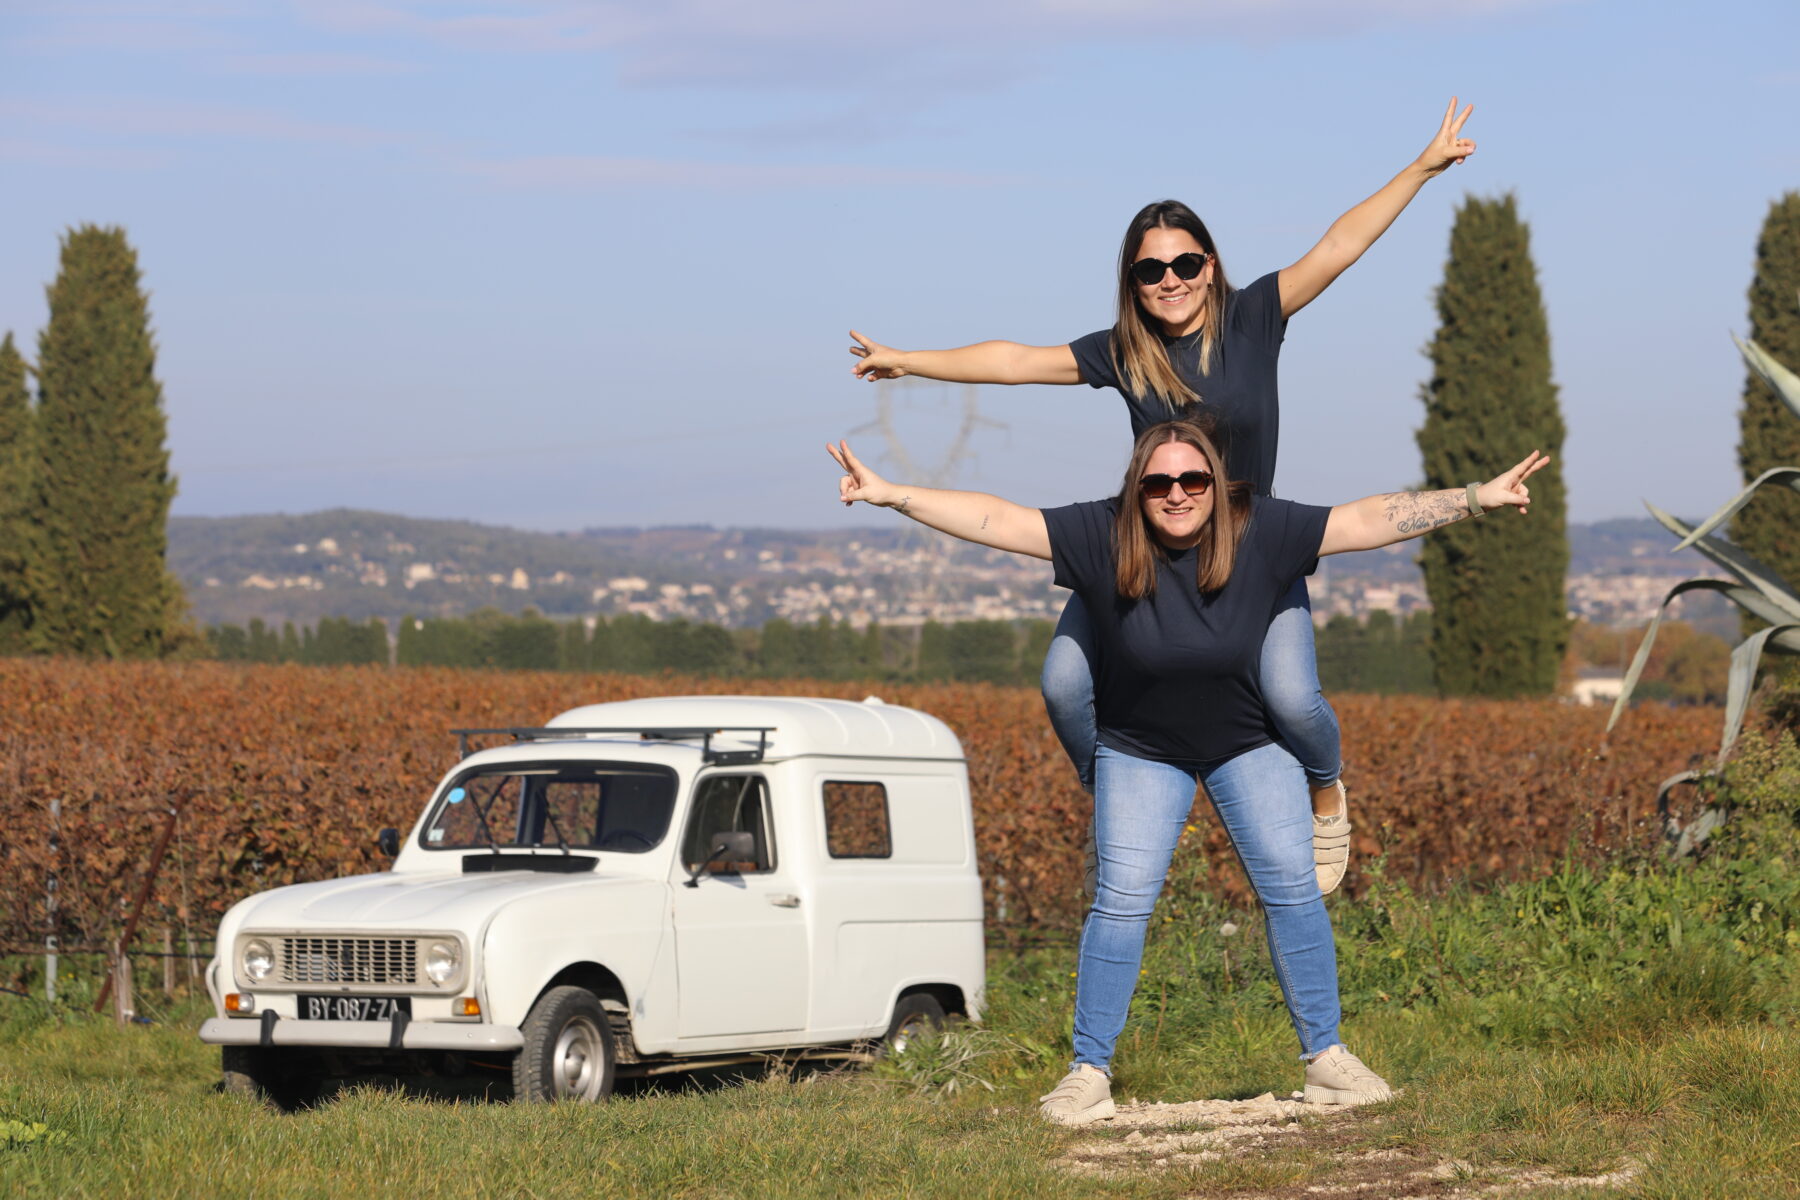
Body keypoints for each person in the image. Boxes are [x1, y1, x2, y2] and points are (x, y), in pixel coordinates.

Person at [825, 420, 1547, 1124]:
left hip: (1248, 743)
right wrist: (893, 494)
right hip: (1141, 750)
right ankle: (1088, 1073)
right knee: (1121, 901)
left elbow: (1364, 520)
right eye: (1159, 482)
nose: (1177, 493)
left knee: (1291, 888)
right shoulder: (1103, 535)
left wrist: (1473, 498)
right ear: (1136, 489)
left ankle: (1327, 1059)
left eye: (1193, 478)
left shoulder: (1261, 528)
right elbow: (994, 518)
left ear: (1216, 485)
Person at [845, 99, 1478, 895]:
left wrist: (1421, 168)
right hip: (1145, 550)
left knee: (1291, 696)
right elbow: (1015, 362)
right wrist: (911, 360)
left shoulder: (1255, 317)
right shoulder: (1125, 353)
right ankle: (1113, 786)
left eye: (1184, 264)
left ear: (1210, 266)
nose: (1169, 280)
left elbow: (1340, 244)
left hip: (1248, 549)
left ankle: (1325, 788)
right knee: (1065, 684)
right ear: (1133, 284)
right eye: (1150, 270)